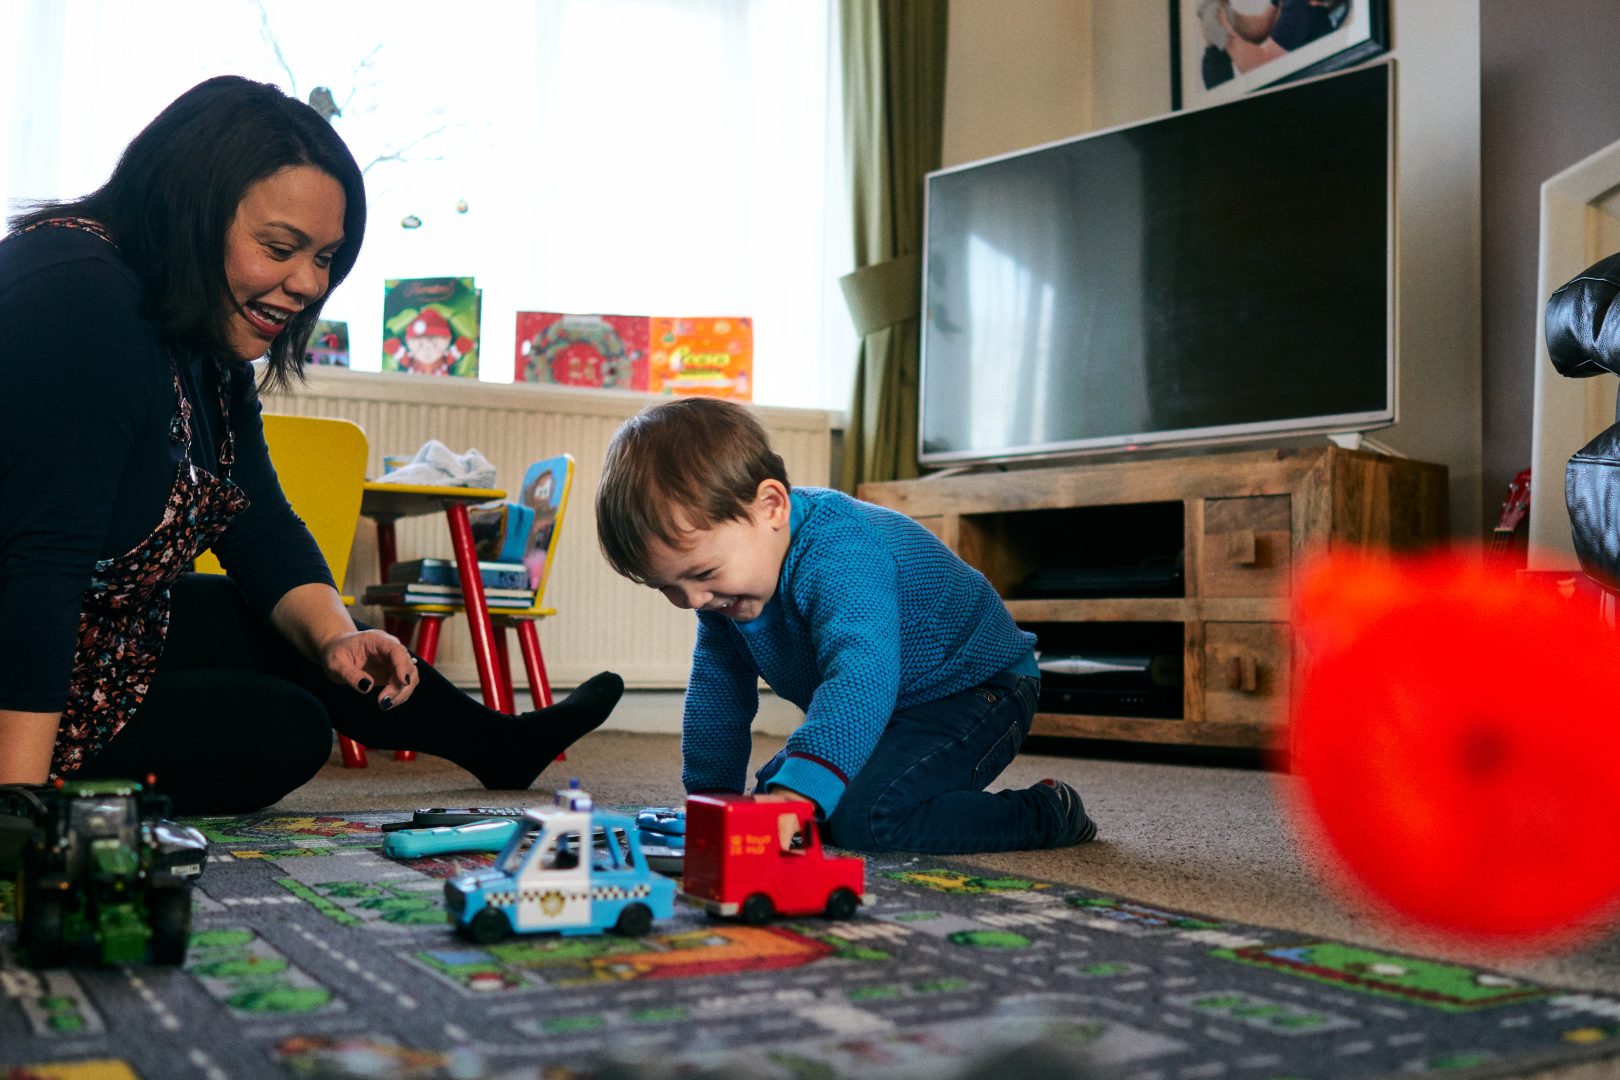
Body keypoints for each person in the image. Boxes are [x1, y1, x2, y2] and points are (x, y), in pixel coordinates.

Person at [0, 76, 623, 814]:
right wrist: (20, 807)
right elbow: (39, 568)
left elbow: (257, 523)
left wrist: (333, 640)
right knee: (281, 730)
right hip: (23, 660)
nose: (306, 284)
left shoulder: (201, 330)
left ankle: (495, 743)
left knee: (291, 627)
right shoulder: (76, 296)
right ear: (187, 211)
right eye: (280, 247)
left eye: (325, 257)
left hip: (91, 639)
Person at [595, 397, 1097, 853]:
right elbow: (718, 698)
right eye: (668, 587)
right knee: (783, 798)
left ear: (771, 506)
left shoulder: (841, 551)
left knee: (867, 817)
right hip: (889, 703)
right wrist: (713, 803)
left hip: (978, 689)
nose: (691, 601)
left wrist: (795, 796)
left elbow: (862, 677)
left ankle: (1047, 812)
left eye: (702, 574)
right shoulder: (720, 599)